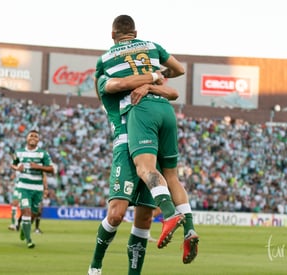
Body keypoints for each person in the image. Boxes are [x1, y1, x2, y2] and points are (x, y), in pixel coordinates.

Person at [96, 14, 199, 264]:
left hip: (140, 112)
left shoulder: (106, 59)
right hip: (165, 107)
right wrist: (155, 77)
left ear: (112, 35)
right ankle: (190, 228)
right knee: (171, 175)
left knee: (146, 168)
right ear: (135, 31)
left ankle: (169, 214)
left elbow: (121, 84)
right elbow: (180, 70)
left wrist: (149, 80)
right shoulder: (152, 47)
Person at [88, 72, 179, 275]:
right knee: (115, 215)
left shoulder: (148, 94)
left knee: (144, 220)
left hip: (149, 152)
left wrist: (152, 83)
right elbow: (103, 82)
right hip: (125, 152)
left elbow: (173, 90)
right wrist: (151, 76)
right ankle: (95, 265)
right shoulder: (113, 91)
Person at [10, 129, 54, 248]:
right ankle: (29, 240)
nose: (33, 137)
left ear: (38, 140)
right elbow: (13, 164)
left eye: (36, 136)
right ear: (27, 138)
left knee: (34, 213)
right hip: (23, 187)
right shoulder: (19, 152)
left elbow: (51, 169)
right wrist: (17, 168)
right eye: (31, 136)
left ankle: (25, 230)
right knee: (26, 210)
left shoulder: (43, 154)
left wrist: (38, 167)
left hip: (37, 188)